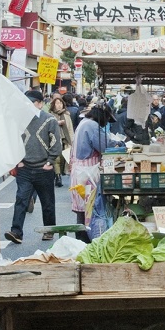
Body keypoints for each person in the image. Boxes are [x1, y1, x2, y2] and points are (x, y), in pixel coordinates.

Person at [7, 90, 64, 244]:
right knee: (21, 200)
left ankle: (49, 230)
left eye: (31, 102)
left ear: (40, 104)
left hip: (43, 168)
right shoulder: (19, 120)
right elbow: (13, 140)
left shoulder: (49, 120)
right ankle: (16, 232)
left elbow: (57, 144)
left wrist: (49, 162)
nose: (28, 106)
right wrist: (18, 160)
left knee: (47, 202)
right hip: (25, 167)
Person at [72, 102, 118, 242]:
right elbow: (105, 146)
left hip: (80, 171)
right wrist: (119, 144)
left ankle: (80, 241)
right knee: (92, 209)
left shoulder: (84, 122)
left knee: (83, 211)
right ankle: (89, 242)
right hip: (88, 173)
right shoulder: (92, 126)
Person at [47, 94, 75, 188]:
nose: (59, 105)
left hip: (65, 140)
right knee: (56, 159)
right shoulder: (50, 115)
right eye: (57, 103)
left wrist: (72, 141)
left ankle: (59, 174)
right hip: (54, 140)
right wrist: (57, 123)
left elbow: (70, 129)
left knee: (63, 158)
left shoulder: (67, 115)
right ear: (53, 104)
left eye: (60, 103)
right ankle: (58, 177)